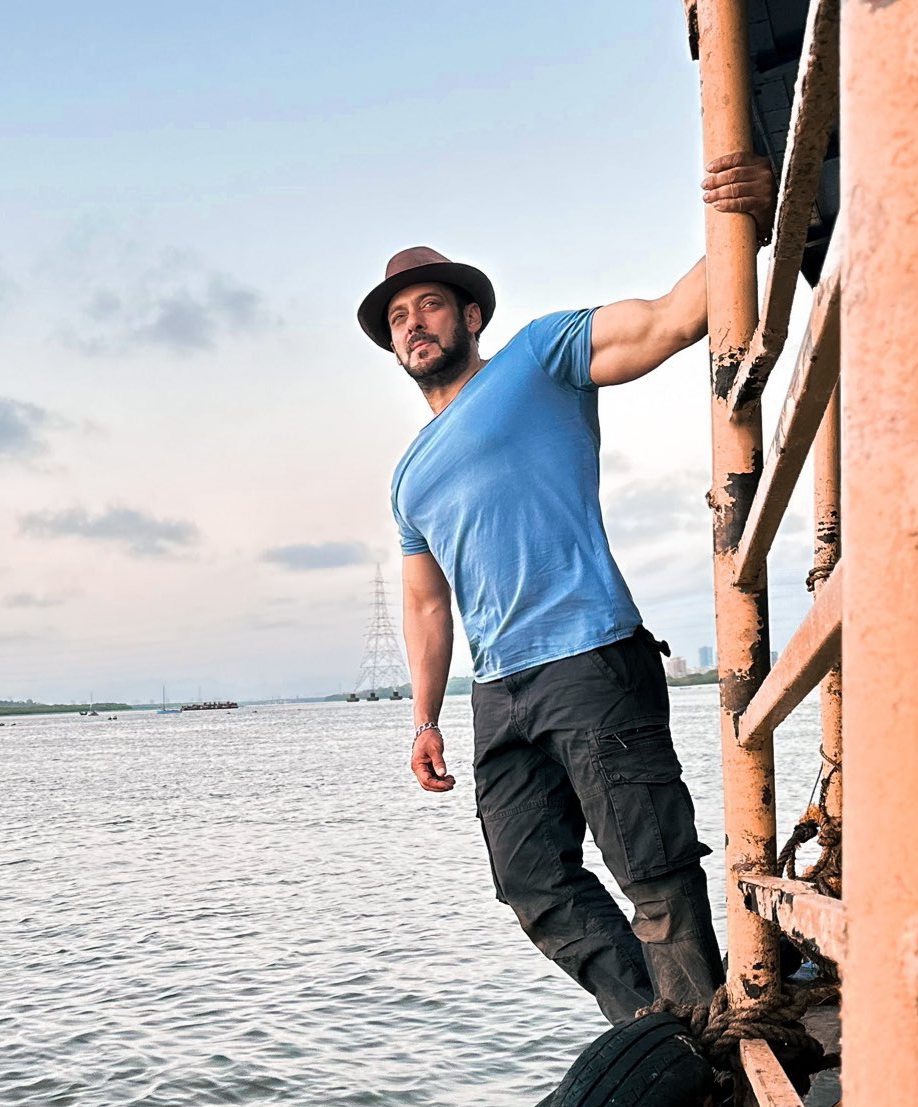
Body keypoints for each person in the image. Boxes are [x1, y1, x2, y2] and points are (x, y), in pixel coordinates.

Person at [361, 153, 775, 1025]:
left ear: (470, 312)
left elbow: (669, 320)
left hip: (589, 654)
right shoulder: (407, 477)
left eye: (429, 304)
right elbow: (428, 605)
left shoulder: (538, 357)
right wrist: (426, 717)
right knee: (533, 886)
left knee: (652, 872)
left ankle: (714, 1043)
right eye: (398, 317)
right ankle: (664, 1036)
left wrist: (748, 223)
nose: (414, 324)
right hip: (497, 693)